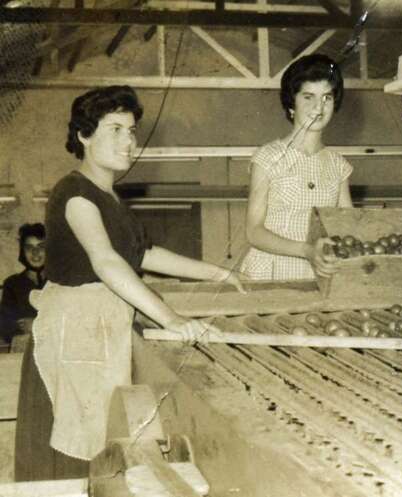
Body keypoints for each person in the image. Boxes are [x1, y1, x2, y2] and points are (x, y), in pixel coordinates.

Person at [15, 85, 245, 482]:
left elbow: (143, 254)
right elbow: (106, 261)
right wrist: (170, 319)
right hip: (76, 335)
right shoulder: (74, 193)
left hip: (100, 329)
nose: (129, 141)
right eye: (116, 129)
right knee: (78, 450)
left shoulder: (111, 198)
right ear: (84, 136)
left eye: (133, 130)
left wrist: (217, 273)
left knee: (103, 446)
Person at [240, 54, 351, 281]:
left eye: (327, 97)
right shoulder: (268, 157)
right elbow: (253, 232)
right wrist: (306, 250)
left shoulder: (339, 165)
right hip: (268, 276)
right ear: (292, 103)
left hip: (316, 277)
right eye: (308, 97)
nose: (318, 107)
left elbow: (351, 227)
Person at [1, 223, 46, 345]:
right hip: (24, 350)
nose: (35, 252)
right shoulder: (12, 284)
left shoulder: (58, 281)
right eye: (29, 247)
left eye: (41, 246)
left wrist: (36, 325)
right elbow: (6, 326)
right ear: (22, 251)